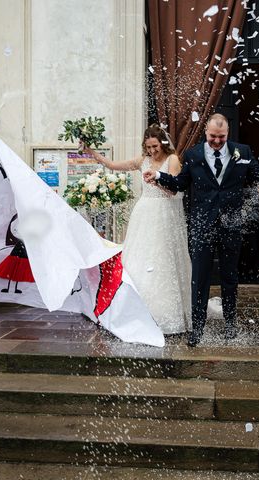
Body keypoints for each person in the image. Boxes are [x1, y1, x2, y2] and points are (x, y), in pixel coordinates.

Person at [144, 113, 259, 346]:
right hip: (202, 226)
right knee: (199, 278)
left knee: (230, 277)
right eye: (213, 136)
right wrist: (159, 176)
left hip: (231, 224)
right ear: (206, 132)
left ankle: (231, 324)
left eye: (221, 137)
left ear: (227, 135)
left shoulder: (242, 153)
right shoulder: (193, 155)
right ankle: (198, 328)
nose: (216, 141)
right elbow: (180, 184)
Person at [83, 125, 191, 334]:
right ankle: (132, 309)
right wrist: (91, 152)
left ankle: (164, 313)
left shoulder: (173, 160)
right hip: (144, 214)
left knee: (162, 259)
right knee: (140, 258)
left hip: (165, 214)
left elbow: (173, 191)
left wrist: (156, 181)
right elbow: (113, 165)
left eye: (155, 146)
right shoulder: (143, 161)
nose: (152, 151)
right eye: (148, 147)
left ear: (163, 143)